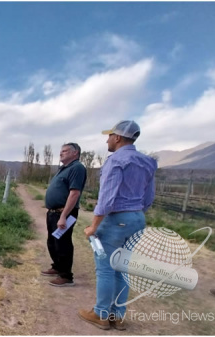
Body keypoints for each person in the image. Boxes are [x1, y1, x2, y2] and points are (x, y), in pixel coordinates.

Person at [79, 120, 157, 331]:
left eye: (109, 136)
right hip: (137, 218)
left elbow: (106, 198)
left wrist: (93, 226)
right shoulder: (148, 162)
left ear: (118, 138)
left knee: (105, 269)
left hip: (116, 220)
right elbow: (149, 197)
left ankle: (100, 314)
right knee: (122, 270)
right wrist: (135, 214)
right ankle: (118, 315)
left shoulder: (115, 161)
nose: (107, 139)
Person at [41, 143, 87, 287]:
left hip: (65, 213)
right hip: (54, 212)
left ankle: (66, 276)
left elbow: (74, 193)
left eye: (65, 151)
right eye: (61, 151)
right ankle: (57, 267)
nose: (61, 153)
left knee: (62, 243)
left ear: (75, 153)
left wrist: (63, 216)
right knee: (53, 241)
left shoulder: (77, 168)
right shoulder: (64, 169)